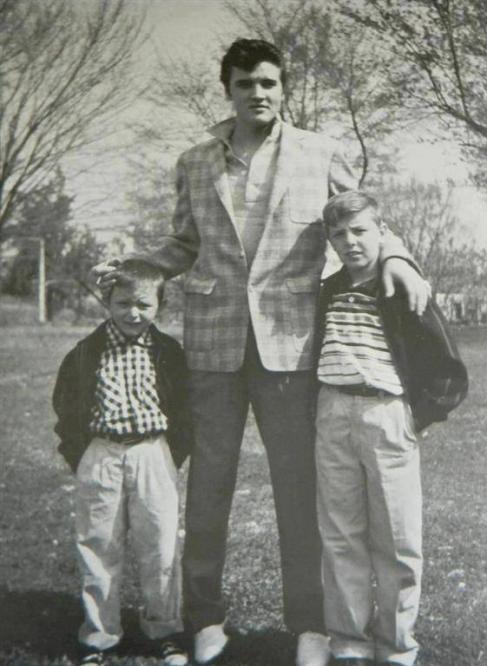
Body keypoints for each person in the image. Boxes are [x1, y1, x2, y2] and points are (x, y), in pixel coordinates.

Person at [94, 39, 430, 666]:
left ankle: (310, 626)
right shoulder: (195, 161)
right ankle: (206, 620)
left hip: (292, 347)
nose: (259, 93)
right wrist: (134, 269)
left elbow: (366, 219)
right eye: (246, 83)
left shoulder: (319, 153)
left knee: (299, 491)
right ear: (228, 89)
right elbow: (182, 244)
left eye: (269, 82)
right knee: (209, 488)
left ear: (283, 88)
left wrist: (400, 260)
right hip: (213, 347)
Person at [314, 191, 468, 666]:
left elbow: (447, 365)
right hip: (333, 411)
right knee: (341, 534)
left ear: (382, 232)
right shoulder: (328, 289)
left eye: (360, 230)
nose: (350, 241)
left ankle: (398, 645)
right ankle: (349, 642)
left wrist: (418, 414)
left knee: (397, 537)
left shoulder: (402, 286)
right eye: (339, 234)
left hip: (386, 412)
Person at [52, 259, 193, 666]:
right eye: (123, 303)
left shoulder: (168, 352)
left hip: (153, 452)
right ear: (108, 302)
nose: (133, 313)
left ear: (160, 306)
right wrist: (83, 455)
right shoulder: (86, 352)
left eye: (144, 305)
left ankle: (165, 631)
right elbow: (66, 407)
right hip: (101, 452)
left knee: (160, 546)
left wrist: (168, 454)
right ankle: (99, 636)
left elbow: (185, 411)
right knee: (99, 545)